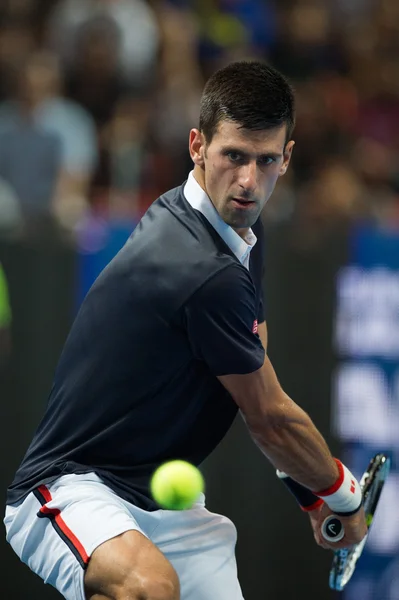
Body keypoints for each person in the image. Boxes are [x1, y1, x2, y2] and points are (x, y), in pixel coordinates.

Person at [4, 61, 367, 600]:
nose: (247, 181)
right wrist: (341, 495)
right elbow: (268, 417)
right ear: (197, 145)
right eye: (233, 157)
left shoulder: (241, 230)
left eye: (266, 160)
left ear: (287, 158)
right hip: (70, 487)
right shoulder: (200, 268)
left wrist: (307, 487)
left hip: (165, 507)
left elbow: (253, 375)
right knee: (150, 590)